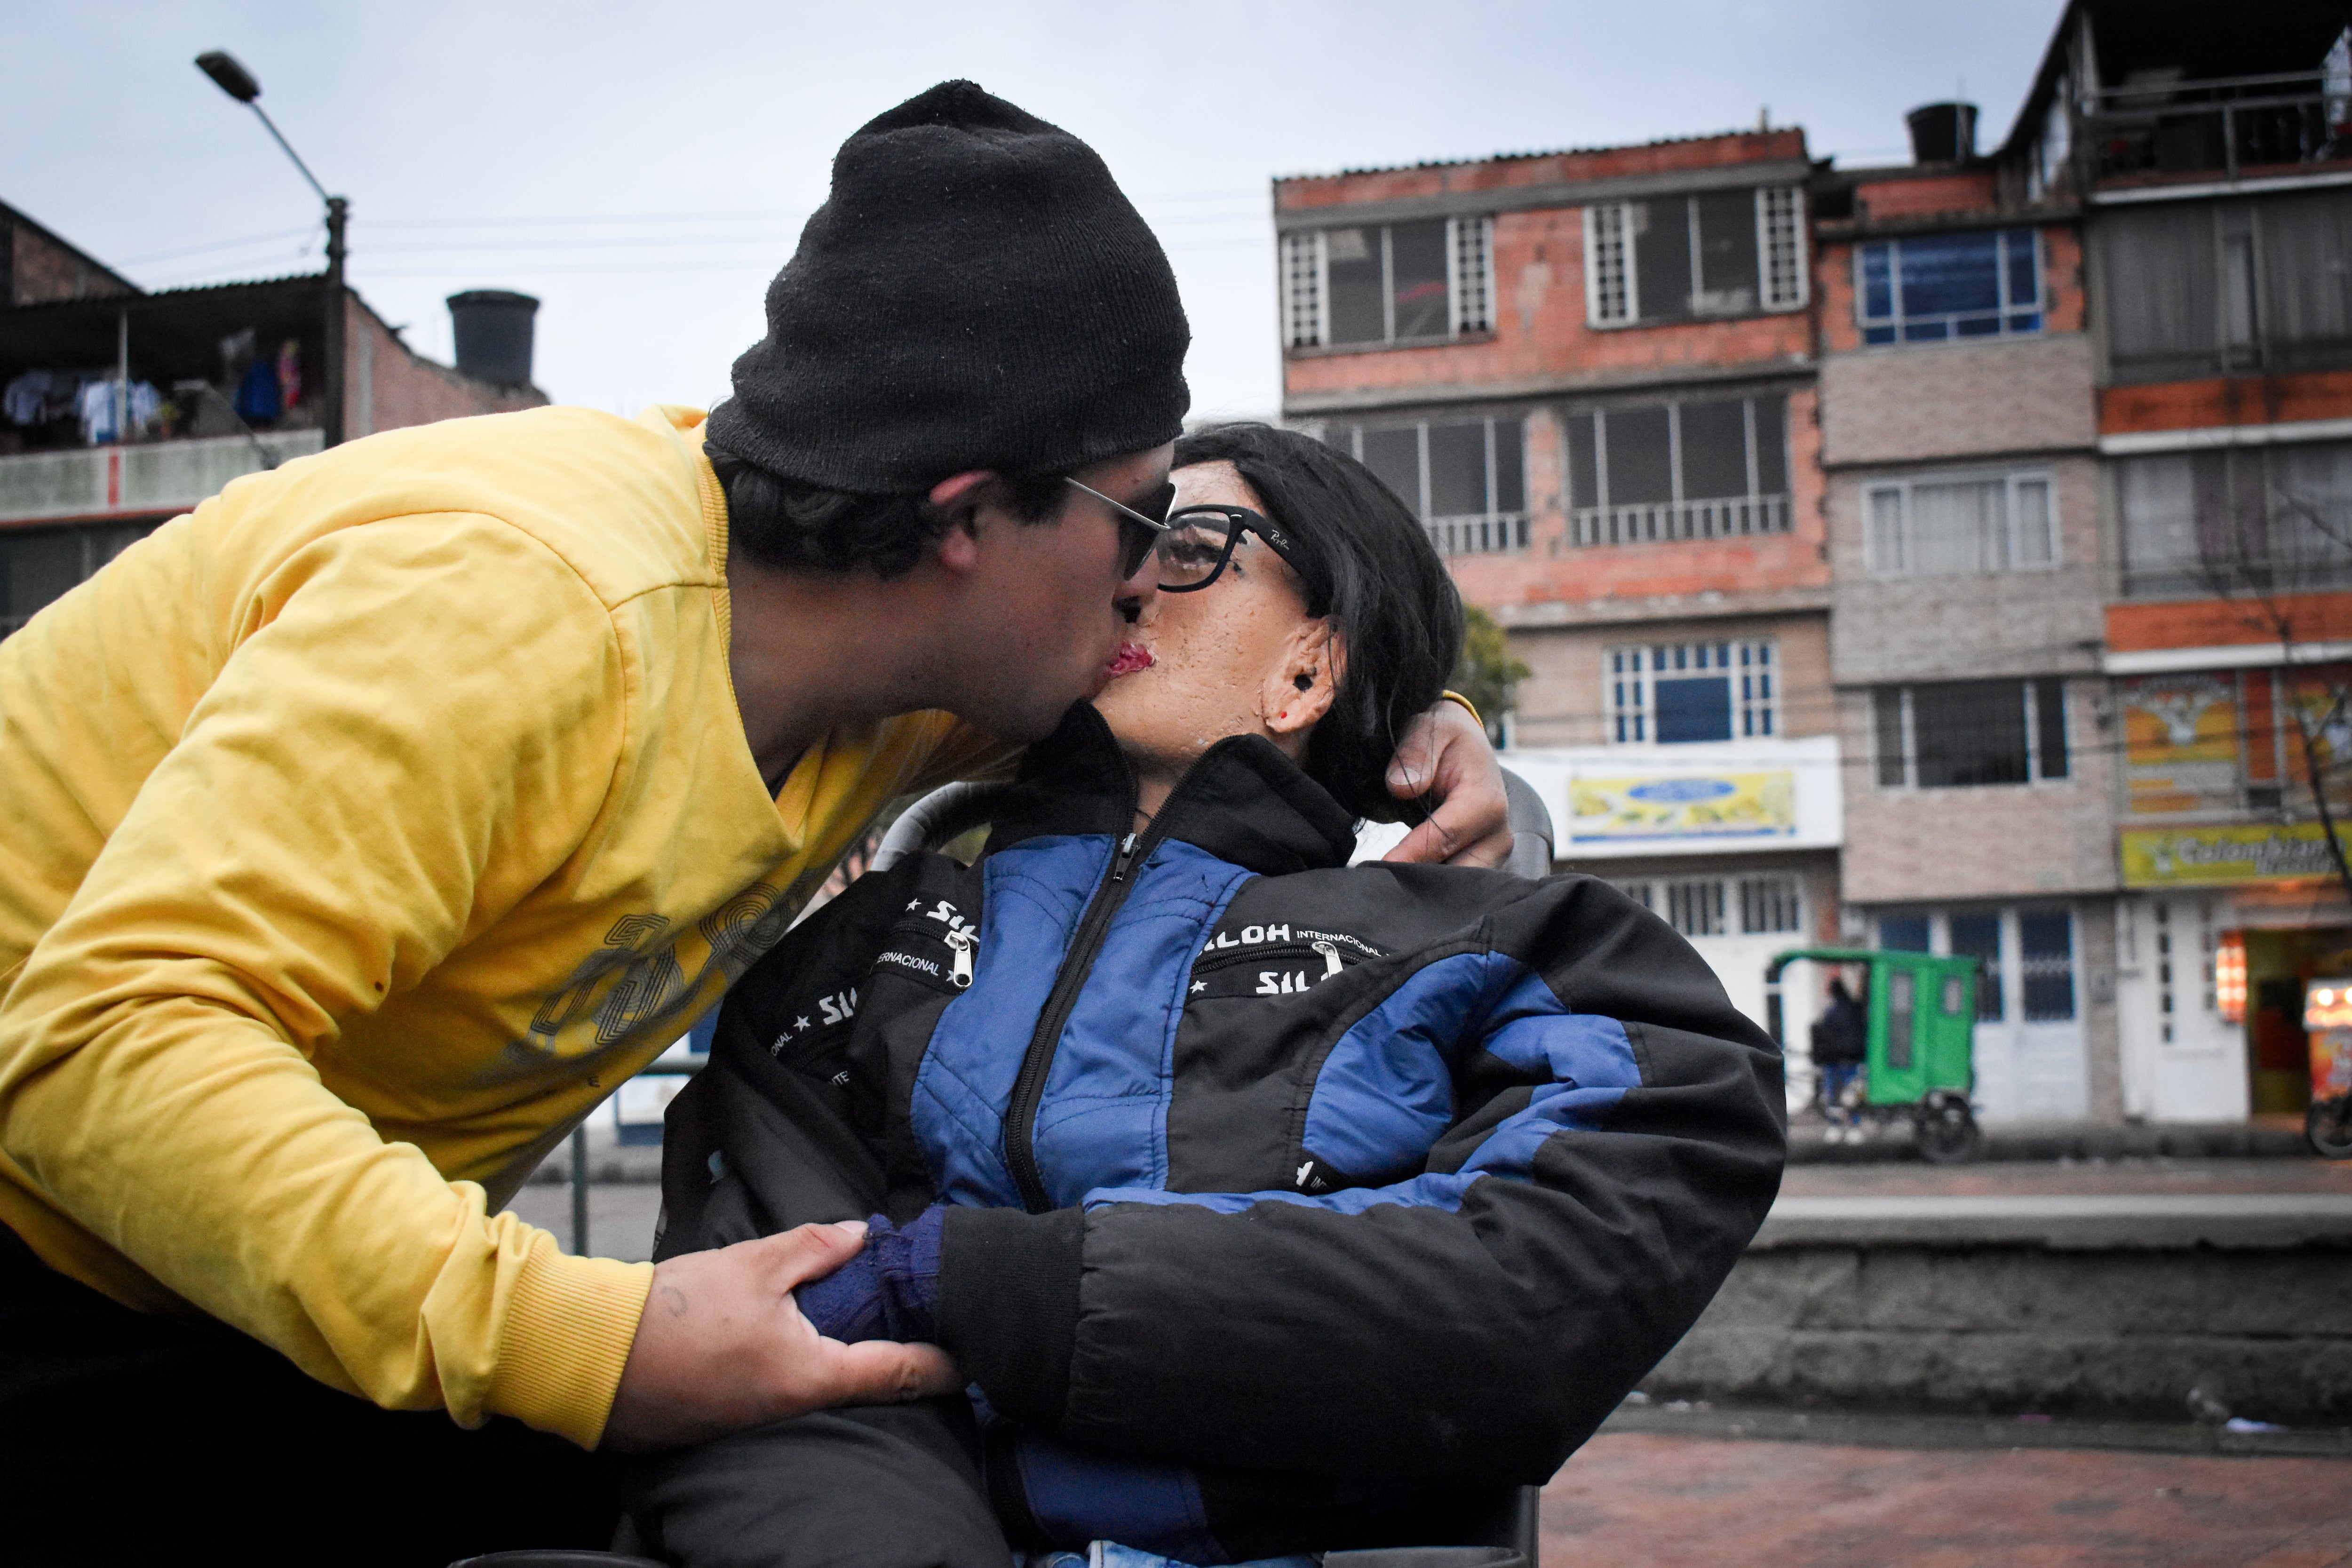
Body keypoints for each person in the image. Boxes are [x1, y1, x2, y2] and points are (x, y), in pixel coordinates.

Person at [0, 87, 1511, 1562]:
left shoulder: (896, 654)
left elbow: (1200, 711)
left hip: (241, 1254)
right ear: (967, 516)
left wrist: (1407, 716)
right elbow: (100, 1045)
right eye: (1135, 520)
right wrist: (591, 1337)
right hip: (55, 1222)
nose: (1140, 584)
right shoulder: (523, 607)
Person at [627, 423, 1787, 1567]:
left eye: (1185, 547)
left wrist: (980, 1284)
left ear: (1308, 666)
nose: (1124, 582)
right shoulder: (873, 944)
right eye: (1115, 539)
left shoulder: (1509, 947)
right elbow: (772, 1341)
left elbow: (1530, 1296)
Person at [1812, 975, 1869, 1132]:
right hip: (1854, 1058)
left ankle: (1835, 1126)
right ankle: (1854, 1126)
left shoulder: (1832, 1012)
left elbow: (1825, 1034)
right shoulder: (1855, 1008)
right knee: (1853, 1093)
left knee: (1833, 1094)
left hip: (1835, 1060)